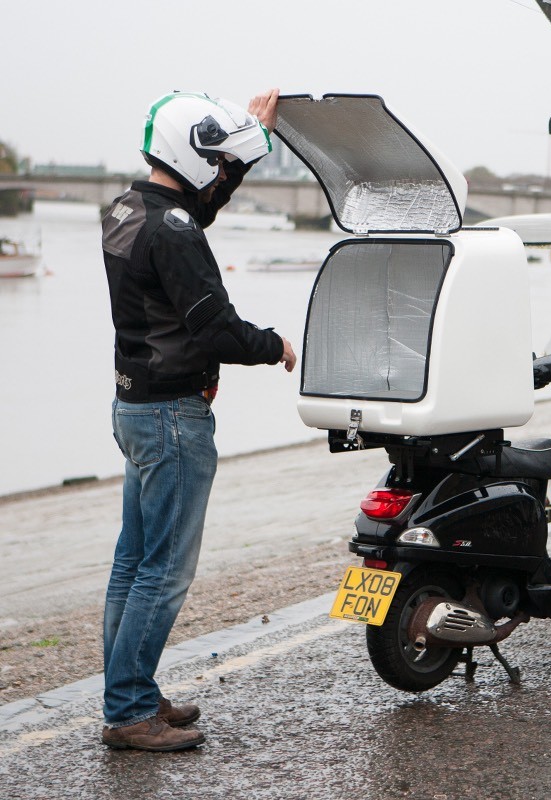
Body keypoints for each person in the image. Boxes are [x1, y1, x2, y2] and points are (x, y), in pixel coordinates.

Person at [100, 89, 296, 752]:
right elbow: (217, 333)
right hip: (174, 419)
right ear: (191, 153)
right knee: (164, 569)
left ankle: (130, 692)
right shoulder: (172, 232)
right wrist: (274, 345)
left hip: (133, 406)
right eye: (214, 158)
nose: (219, 171)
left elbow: (193, 212)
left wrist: (251, 146)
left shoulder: (129, 211)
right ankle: (128, 710)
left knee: (133, 562)